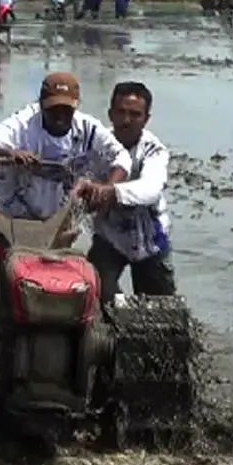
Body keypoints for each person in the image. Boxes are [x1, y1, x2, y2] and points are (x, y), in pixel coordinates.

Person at [0, 72, 132, 319]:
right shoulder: (24, 124)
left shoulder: (88, 129)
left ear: (75, 107)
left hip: (58, 218)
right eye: (53, 110)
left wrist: (107, 188)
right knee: (0, 275)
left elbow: (121, 157)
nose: (60, 117)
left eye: (66, 111)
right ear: (41, 105)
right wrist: (9, 152)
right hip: (11, 216)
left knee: (55, 277)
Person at [77, 82, 175, 303]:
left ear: (146, 119)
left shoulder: (154, 150)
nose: (127, 120)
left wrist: (109, 193)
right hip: (109, 236)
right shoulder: (97, 145)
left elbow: (150, 189)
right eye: (121, 112)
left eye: (135, 114)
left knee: (161, 312)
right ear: (110, 114)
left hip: (149, 238)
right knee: (92, 294)